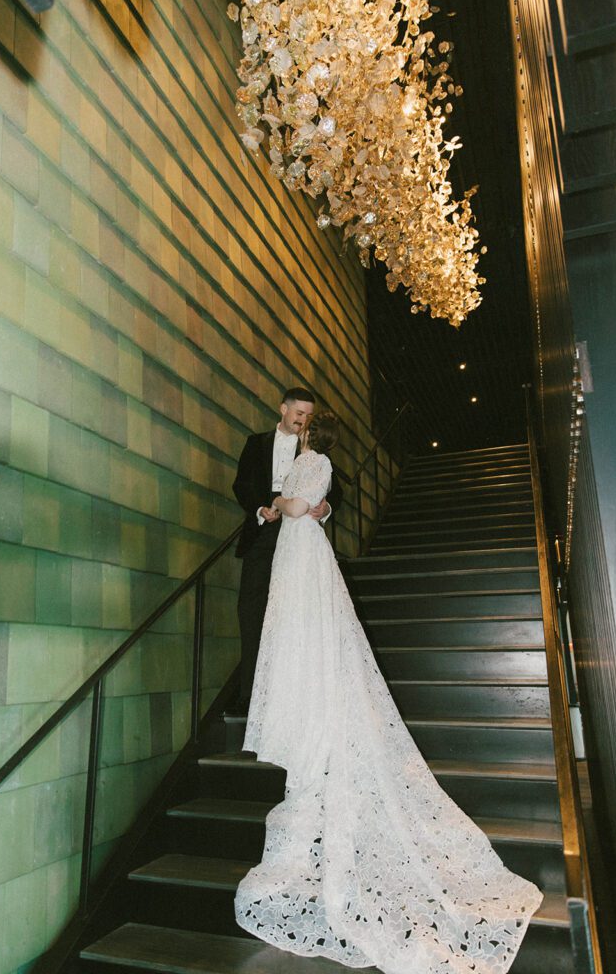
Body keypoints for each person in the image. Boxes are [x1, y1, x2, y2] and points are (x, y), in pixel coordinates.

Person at [235, 412, 543, 974]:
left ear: (310, 435)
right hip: (298, 555)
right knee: (300, 626)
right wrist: (290, 505)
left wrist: (282, 504)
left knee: (309, 627)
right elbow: (311, 506)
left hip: (301, 552)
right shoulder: (317, 461)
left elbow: (304, 507)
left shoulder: (313, 461)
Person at [231, 388, 343, 716]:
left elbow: (337, 491)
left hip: (297, 538)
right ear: (283, 409)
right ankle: (250, 696)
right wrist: (259, 509)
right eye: (299, 414)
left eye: (309, 416)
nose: (304, 421)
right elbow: (241, 484)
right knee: (251, 612)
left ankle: (292, 698)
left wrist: (324, 507)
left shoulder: (314, 446)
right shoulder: (256, 444)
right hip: (263, 536)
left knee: (295, 615)